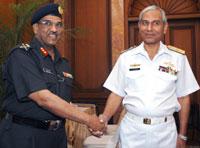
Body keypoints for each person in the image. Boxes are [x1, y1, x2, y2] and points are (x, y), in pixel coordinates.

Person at [0, 3, 104, 148]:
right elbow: (44, 99)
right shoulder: (22, 56)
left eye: (58, 25)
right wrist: (88, 120)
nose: (54, 29)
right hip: (25, 136)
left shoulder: (63, 64)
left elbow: (63, 101)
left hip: (57, 137)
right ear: (36, 28)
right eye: (47, 23)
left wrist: (92, 122)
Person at [96, 5, 200, 148]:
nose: (149, 28)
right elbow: (116, 93)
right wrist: (104, 118)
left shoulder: (178, 58)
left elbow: (183, 98)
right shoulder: (126, 58)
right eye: (145, 23)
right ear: (139, 26)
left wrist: (182, 135)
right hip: (132, 132)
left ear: (164, 27)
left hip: (165, 133)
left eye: (155, 23)